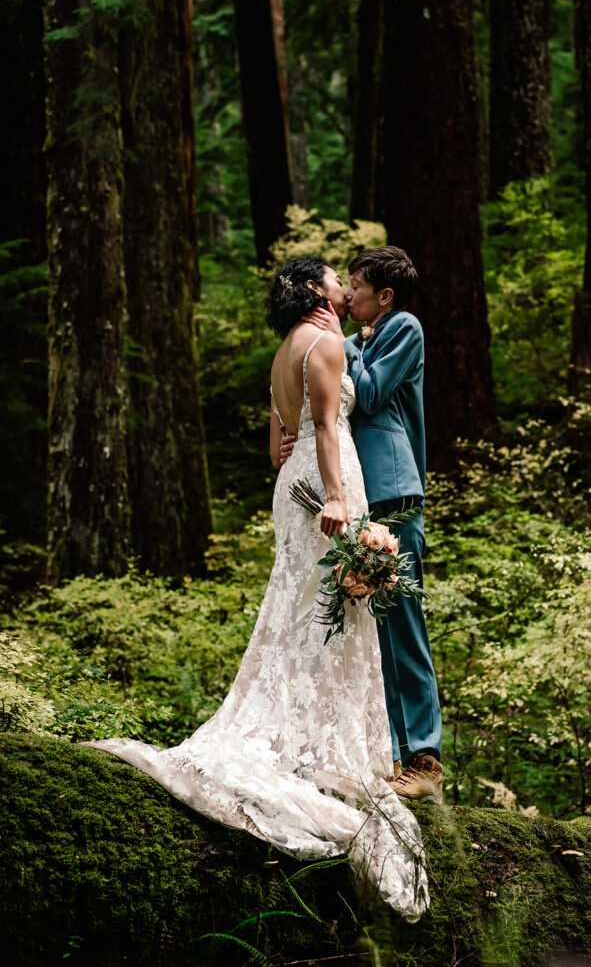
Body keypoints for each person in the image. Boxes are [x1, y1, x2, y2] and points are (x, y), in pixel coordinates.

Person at [84, 255, 428, 922]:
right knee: (331, 613)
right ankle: (323, 748)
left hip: (287, 484)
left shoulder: (285, 350)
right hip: (327, 483)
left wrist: (302, 466)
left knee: (298, 608)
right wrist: (334, 494)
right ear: (312, 291)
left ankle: (302, 736)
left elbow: (280, 440)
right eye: (333, 277)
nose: (340, 286)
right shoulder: (325, 340)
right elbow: (328, 427)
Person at [291, 246, 443, 803]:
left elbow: (374, 393)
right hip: (358, 494)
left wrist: (339, 342)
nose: (347, 293)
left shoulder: (404, 326)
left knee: (403, 622)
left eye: (356, 284)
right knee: (368, 629)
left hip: (395, 490)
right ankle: (390, 755)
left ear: (384, 295)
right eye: (346, 283)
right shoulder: (349, 343)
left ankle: (425, 758)